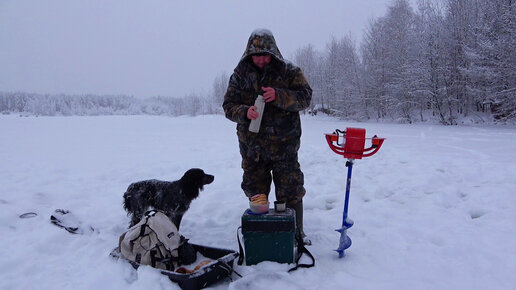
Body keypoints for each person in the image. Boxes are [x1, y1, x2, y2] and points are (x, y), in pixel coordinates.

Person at [223, 29, 312, 240]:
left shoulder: (289, 71)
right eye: (257, 55)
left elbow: (305, 97)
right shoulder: (240, 75)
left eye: (265, 55)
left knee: (290, 190)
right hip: (252, 148)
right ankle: (260, 236)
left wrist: (280, 96)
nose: (261, 60)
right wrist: (244, 112)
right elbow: (228, 106)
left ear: (273, 52)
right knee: (257, 192)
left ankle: (295, 234)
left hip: (285, 146)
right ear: (248, 54)